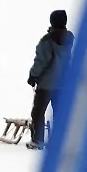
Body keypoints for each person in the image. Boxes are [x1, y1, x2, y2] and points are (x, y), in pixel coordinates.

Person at [27, 10, 72, 150]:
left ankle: (37, 140)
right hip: (64, 83)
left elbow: (41, 61)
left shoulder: (47, 40)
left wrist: (33, 75)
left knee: (38, 112)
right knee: (59, 112)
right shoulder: (70, 39)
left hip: (46, 83)